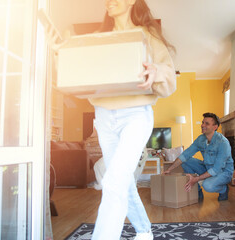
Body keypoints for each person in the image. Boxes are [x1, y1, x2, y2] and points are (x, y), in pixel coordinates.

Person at [90, 0, 176, 239]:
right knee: (123, 180)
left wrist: (156, 71)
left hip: (136, 114)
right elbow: (86, 73)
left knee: (113, 182)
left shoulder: (147, 35)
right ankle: (145, 231)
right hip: (104, 116)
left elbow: (169, 74)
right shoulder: (100, 37)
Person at [164, 112, 234, 201]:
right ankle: (197, 191)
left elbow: (216, 169)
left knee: (207, 185)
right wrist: (170, 169)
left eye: (207, 123)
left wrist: (196, 179)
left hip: (223, 172)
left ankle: (224, 189)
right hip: (208, 167)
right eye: (202, 122)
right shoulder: (201, 139)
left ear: (215, 127)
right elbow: (185, 155)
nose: (202, 125)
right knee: (186, 161)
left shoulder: (223, 142)